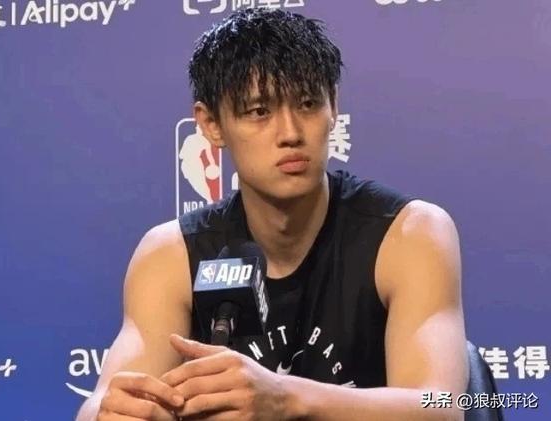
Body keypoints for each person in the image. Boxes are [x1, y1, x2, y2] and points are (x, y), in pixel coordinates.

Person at [76, 8, 468, 421]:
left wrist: (285, 397)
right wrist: (117, 413)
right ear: (211, 125)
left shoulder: (409, 233)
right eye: (259, 111)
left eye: (308, 103)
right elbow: (99, 405)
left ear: (333, 105)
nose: (291, 133)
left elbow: (443, 407)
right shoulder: (170, 254)